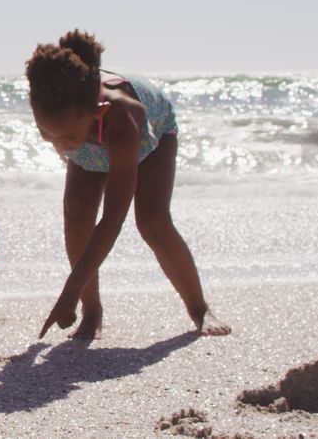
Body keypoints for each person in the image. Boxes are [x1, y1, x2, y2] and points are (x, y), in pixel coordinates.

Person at [27, 29, 231, 340]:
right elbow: (64, 134)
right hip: (90, 136)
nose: (59, 145)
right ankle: (92, 312)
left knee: (152, 220)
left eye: (64, 138)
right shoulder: (58, 108)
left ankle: (199, 308)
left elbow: (112, 219)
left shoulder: (124, 118)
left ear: (98, 112)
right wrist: (64, 140)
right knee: (77, 213)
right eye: (45, 132)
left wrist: (69, 289)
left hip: (152, 136)